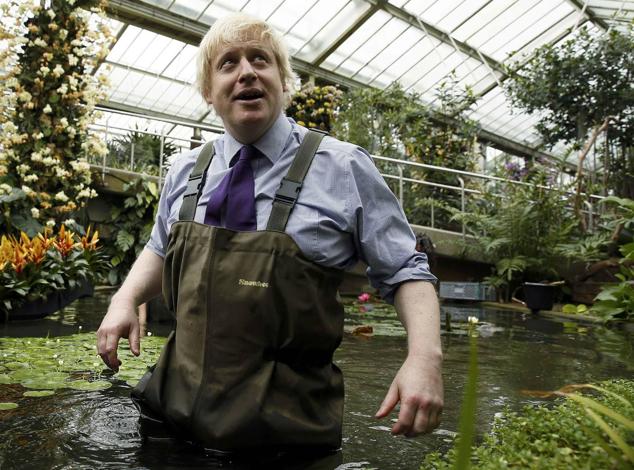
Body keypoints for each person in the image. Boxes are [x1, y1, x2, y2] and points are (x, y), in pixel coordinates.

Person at [96, 12, 443, 457]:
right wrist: (124, 300)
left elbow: (405, 269)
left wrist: (424, 359)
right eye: (228, 63)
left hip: (284, 441)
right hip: (171, 426)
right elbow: (160, 246)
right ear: (208, 92)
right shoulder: (185, 170)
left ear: (283, 80)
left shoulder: (343, 167)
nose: (246, 73)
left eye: (260, 60)